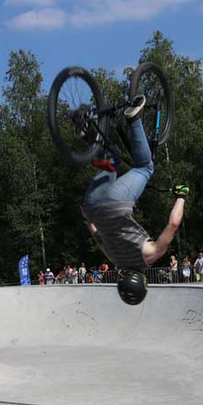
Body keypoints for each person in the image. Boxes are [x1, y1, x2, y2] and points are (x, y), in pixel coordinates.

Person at [81, 95, 188, 306]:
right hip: (91, 207)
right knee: (112, 160)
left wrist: (181, 197)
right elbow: (94, 230)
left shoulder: (150, 255)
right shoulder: (113, 257)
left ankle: (134, 118)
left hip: (116, 202)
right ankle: (86, 130)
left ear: (145, 282)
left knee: (145, 167)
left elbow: (173, 223)